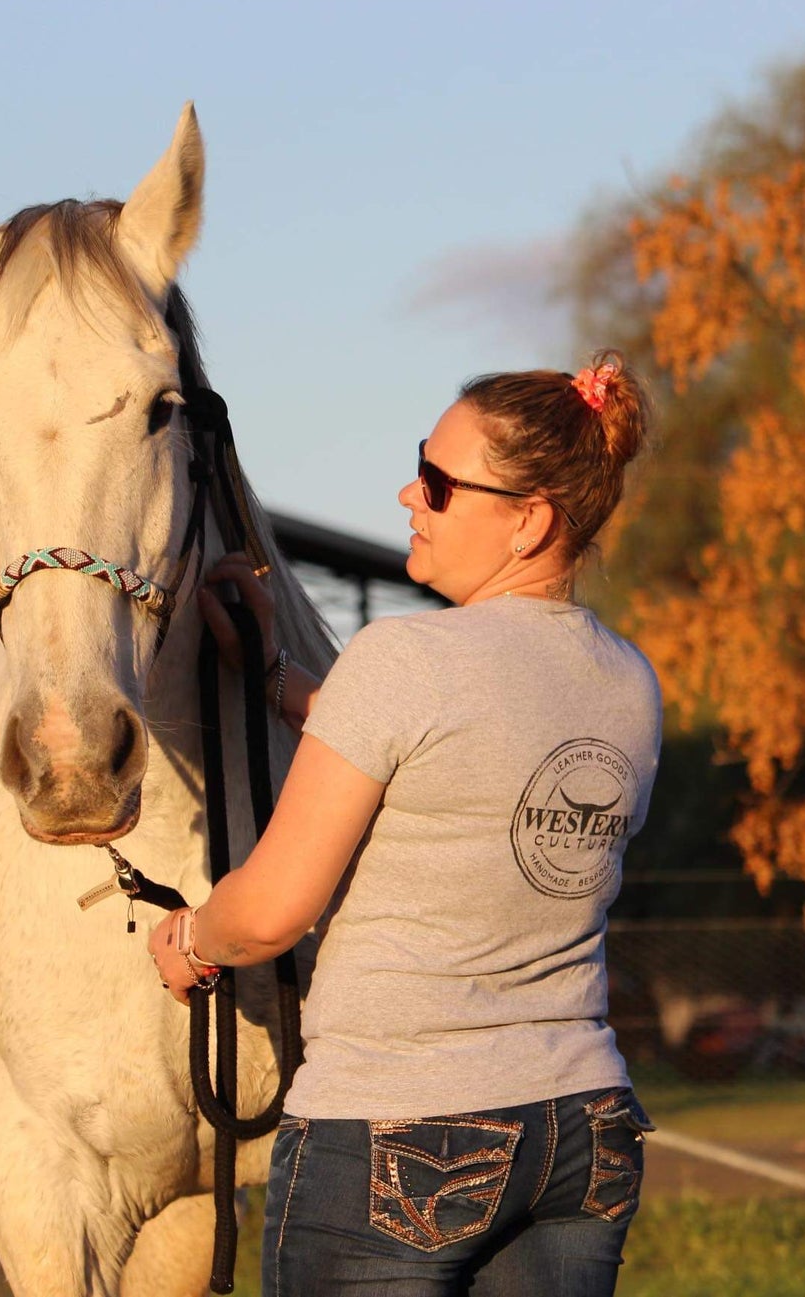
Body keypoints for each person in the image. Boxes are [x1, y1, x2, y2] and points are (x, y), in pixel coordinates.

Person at [148, 352, 661, 1296]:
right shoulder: (628, 680)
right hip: (581, 1123)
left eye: (437, 481)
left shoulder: (407, 658)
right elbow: (454, 759)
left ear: (529, 520)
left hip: (400, 1131)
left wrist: (191, 939)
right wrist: (274, 675)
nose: (407, 494)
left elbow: (270, 913)